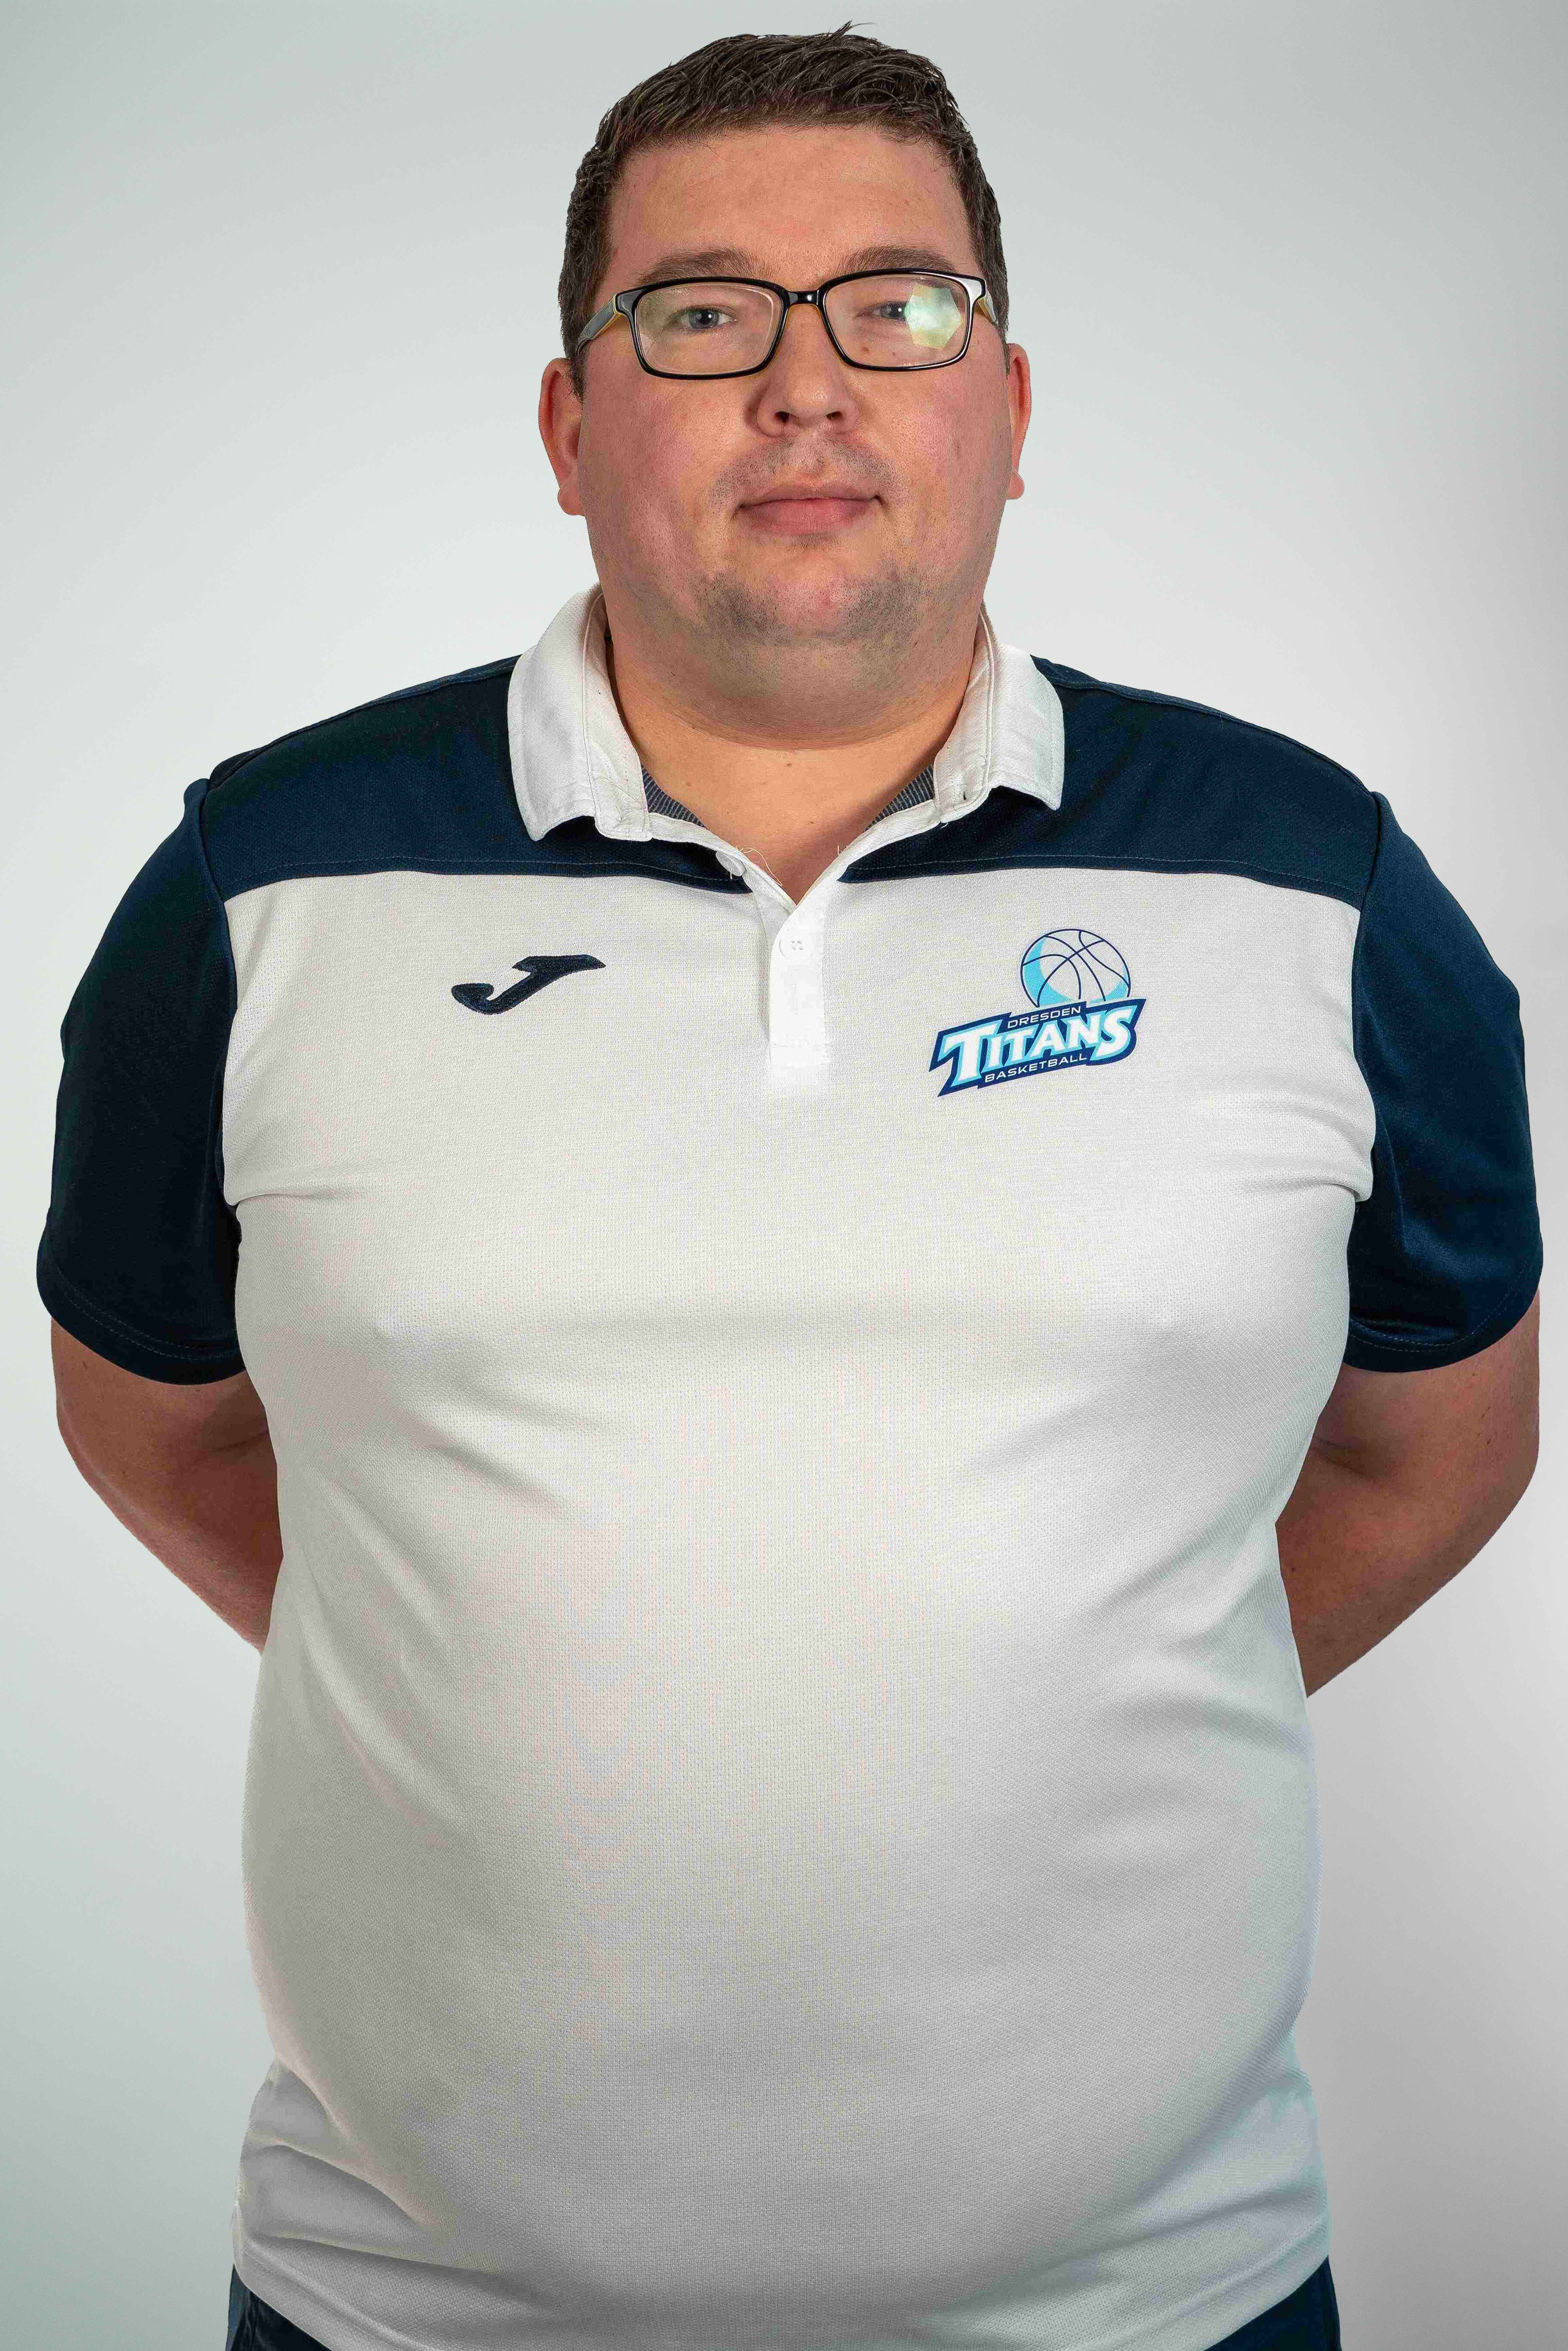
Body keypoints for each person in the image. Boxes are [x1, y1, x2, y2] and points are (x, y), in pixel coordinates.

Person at [40, 27, 1540, 2351]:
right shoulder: (255, 892)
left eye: (901, 308)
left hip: (1160, 2303)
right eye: (704, 313)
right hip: (408, 2305)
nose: (809, 384)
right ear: (571, 427)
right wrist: (469, 1683)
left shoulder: (1317, 891)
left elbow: (1442, 1445)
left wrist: (1099, 1688)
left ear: (1009, 406)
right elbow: (151, 1422)